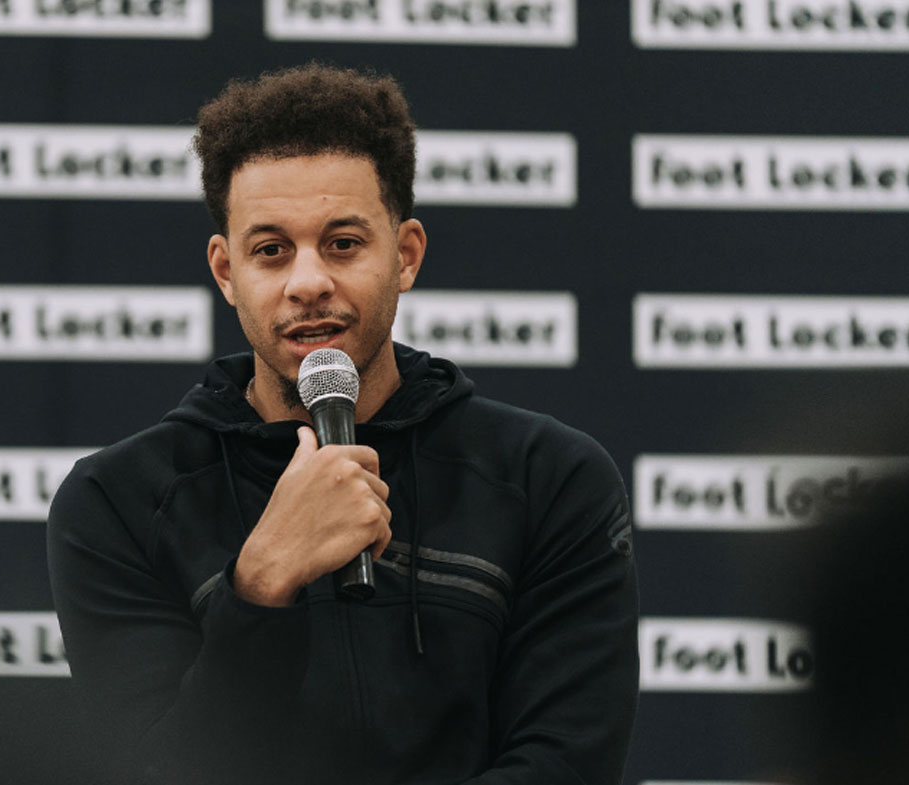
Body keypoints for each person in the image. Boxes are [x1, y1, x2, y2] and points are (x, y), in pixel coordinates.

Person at [47, 63, 638, 785]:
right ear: (226, 271)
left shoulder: (549, 477)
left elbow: (567, 761)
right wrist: (260, 585)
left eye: (343, 243)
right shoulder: (117, 502)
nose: (308, 282)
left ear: (406, 254)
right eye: (271, 251)